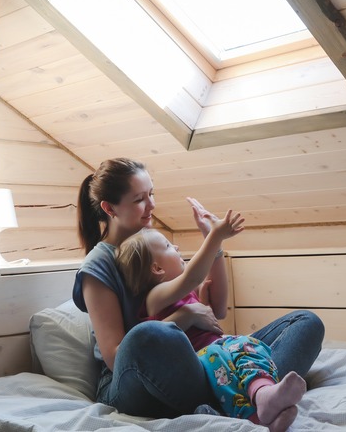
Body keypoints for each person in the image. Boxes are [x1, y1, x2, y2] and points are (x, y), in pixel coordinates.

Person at [73, 157, 325, 418]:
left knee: (306, 323)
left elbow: (217, 309)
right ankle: (242, 399)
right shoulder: (99, 264)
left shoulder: (150, 242)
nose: (151, 205)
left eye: (151, 194)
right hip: (133, 379)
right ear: (109, 208)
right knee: (148, 335)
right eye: (139, 199)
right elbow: (117, 358)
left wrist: (213, 245)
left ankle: (257, 395)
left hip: (200, 362)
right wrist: (186, 315)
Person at [117, 212, 306, 431]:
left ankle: (264, 399)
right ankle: (259, 408)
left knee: (250, 347)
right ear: (157, 269)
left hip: (221, 347)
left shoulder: (186, 295)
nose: (177, 248)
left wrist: (214, 242)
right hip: (202, 361)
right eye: (169, 246)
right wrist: (215, 236)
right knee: (232, 356)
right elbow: (193, 278)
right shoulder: (155, 296)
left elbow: (218, 309)